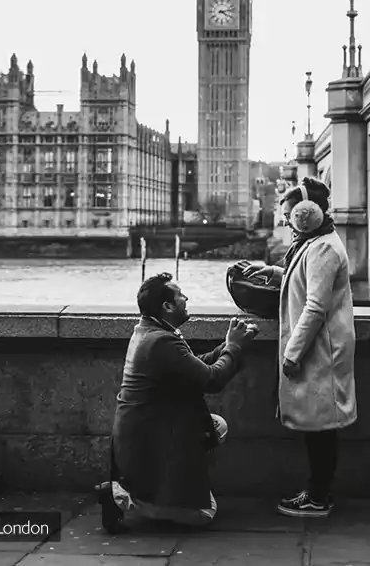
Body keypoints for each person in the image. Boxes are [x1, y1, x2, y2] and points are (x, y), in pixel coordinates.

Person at [96, 272, 258, 533]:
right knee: (205, 514)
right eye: (180, 295)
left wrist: (228, 345)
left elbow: (195, 365)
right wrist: (234, 348)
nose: (186, 298)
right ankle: (124, 500)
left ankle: (175, 488)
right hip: (150, 438)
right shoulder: (161, 340)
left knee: (216, 427)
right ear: (167, 307)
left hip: (148, 432)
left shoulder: (149, 331)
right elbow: (212, 380)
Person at [243, 176, 356, 517]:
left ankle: (317, 497)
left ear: (309, 213)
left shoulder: (322, 248)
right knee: (317, 425)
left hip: (319, 350)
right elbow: (302, 275)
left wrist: (291, 355)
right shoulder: (316, 241)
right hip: (318, 348)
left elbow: (315, 305)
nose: (289, 221)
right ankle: (317, 492)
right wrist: (272, 273)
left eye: (292, 214)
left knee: (320, 428)